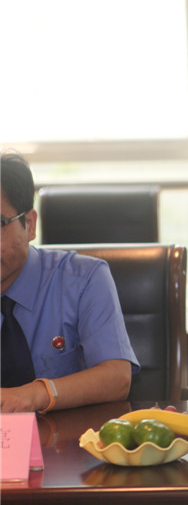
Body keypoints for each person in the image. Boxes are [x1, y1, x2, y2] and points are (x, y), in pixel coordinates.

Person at [1, 152, 139, 413]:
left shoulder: (84, 279)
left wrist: (37, 394)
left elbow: (117, 377)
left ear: (29, 224)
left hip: (71, 437)